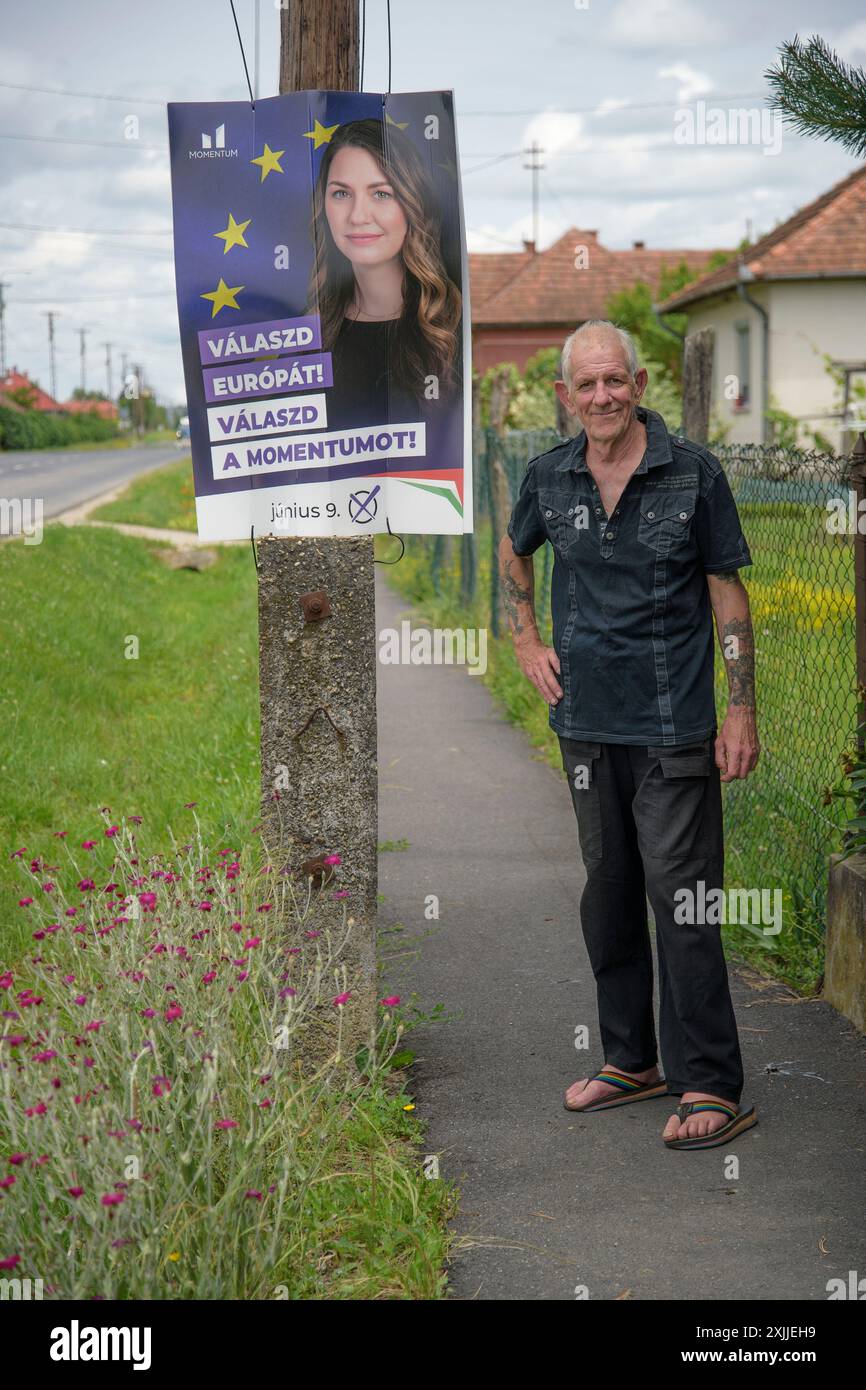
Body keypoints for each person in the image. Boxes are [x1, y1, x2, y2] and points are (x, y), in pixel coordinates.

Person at [499, 319, 760, 1151]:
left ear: (640, 383)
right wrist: (525, 638)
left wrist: (741, 708)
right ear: (565, 396)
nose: (603, 397)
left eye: (616, 381)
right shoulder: (549, 477)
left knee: (681, 901)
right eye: (588, 385)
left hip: (675, 726)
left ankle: (711, 1082)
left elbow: (727, 595)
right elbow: (512, 555)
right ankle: (631, 1061)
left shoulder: (691, 474)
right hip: (586, 727)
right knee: (608, 894)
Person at [305, 118, 462, 432]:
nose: (358, 216)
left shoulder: (452, 327)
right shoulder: (307, 333)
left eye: (381, 194)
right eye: (341, 194)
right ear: (323, 206)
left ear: (411, 203)